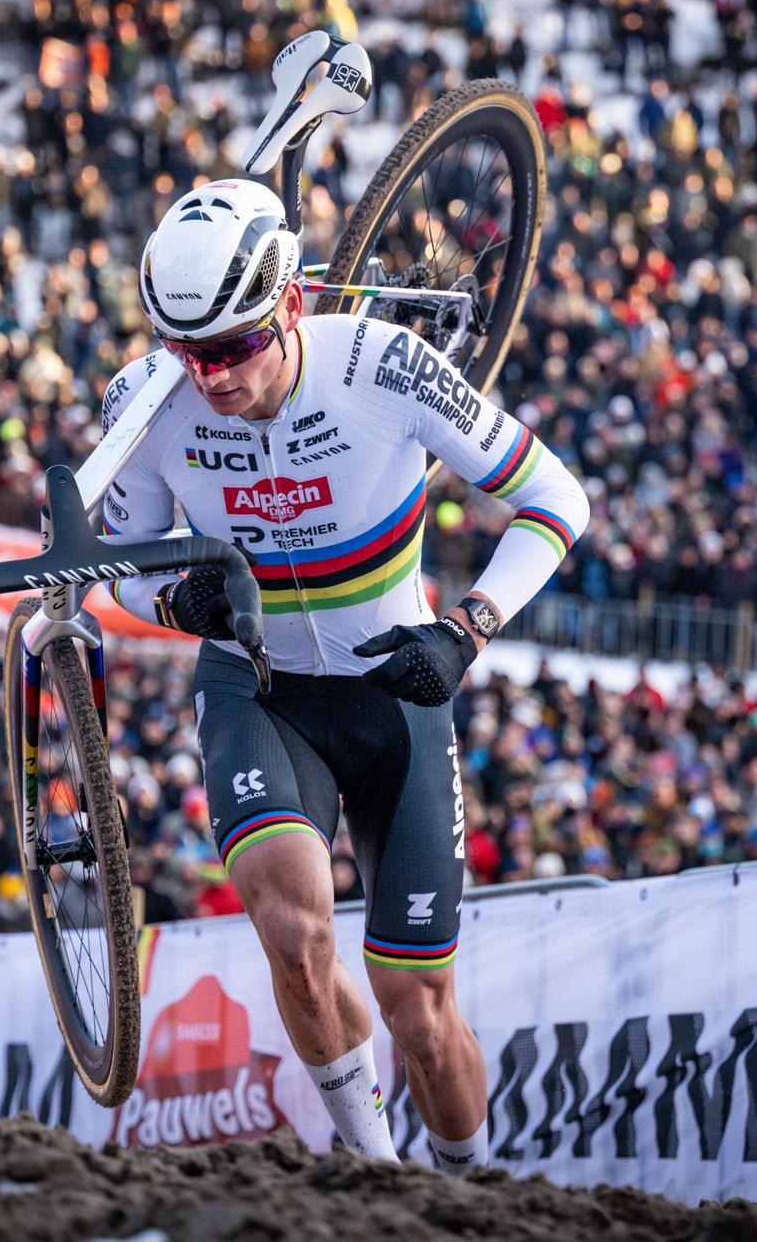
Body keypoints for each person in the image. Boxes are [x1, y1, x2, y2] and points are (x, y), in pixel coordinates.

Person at [99, 180, 588, 1171]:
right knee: (293, 930)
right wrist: (170, 602)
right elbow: (115, 564)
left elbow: (555, 498)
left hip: (397, 695)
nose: (211, 375)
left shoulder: (383, 365)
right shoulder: (146, 401)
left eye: (232, 346)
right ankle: (377, 1171)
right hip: (258, 692)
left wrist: (468, 628)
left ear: (288, 306)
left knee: (419, 1009)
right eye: (187, 350)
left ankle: (467, 1183)